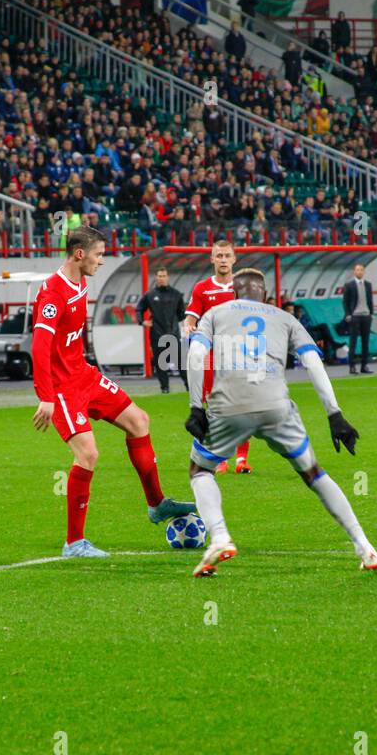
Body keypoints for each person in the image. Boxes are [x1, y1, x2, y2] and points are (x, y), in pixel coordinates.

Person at [184, 267, 377, 576]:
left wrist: (196, 406)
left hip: (229, 404)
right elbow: (313, 362)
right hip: (276, 405)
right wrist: (334, 414)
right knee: (313, 473)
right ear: (264, 295)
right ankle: (364, 545)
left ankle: (220, 536)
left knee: (200, 470)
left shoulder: (216, 314)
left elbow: (196, 354)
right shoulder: (284, 317)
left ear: (234, 293)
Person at [30, 225, 196, 557]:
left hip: (85, 376)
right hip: (63, 389)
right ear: (80, 254)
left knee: (139, 421)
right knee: (88, 454)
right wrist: (46, 396)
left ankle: (157, 504)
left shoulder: (79, 282)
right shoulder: (52, 292)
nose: (101, 261)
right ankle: (74, 543)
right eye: (98, 254)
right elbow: (39, 346)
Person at [184, 238, 253, 474]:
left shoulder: (244, 286)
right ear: (212, 259)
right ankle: (221, 457)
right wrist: (189, 327)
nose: (223, 260)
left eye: (227, 255)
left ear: (234, 259)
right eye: (219, 256)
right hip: (212, 356)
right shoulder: (202, 288)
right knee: (215, 406)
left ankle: (241, 459)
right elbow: (191, 319)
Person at [136, 266, 187, 393]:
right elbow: (139, 309)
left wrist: (173, 324)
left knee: (181, 362)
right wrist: (142, 321)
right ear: (156, 278)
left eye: (164, 276)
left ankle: (188, 386)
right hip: (157, 335)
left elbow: (182, 314)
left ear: (167, 277)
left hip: (173, 334)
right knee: (160, 363)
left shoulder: (176, 294)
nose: (162, 278)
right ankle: (165, 388)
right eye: (159, 276)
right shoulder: (150, 295)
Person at [342, 263, 374, 374]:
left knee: (366, 342)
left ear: (364, 271)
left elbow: (370, 300)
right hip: (355, 316)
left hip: (366, 315)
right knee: (353, 342)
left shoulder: (368, 285)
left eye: (361, 270)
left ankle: (364, 366)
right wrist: (348, 314)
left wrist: (371, 313)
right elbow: (345, 302)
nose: (359, 271)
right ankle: (352, 366)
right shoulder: (349, 285)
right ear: (354, 272)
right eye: (357, 270)